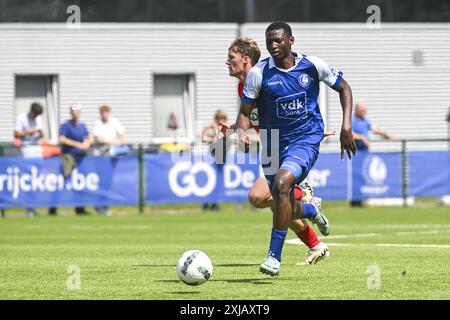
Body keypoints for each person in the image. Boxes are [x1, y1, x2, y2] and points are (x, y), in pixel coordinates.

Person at [236, 22, 356, 276]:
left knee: (281, 185)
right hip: (272, 144)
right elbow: (244, 113)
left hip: (305, 139)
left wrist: (346, 127)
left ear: (291, 40)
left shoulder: (312, 65)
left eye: (278, 40)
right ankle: (311, 209)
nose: (273, 46)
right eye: (269, 42)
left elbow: (344, 87)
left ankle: (273, 258)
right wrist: (240, 131)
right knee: (281, 202)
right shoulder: (259, 74)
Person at [219, 37, 332, 265]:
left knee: (259, 196)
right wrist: (236, 130)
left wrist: (311, 131)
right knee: (276, 205)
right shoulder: (245, 86)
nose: (226, 62)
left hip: (288, 146)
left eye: (231, 57)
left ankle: (304, 198)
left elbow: (290, 107)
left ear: (246, 59)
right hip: (271, 146)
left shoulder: (266, 78)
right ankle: (314, 237)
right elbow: (256, 118)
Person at [49, 103, 93, 216]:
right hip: (68, 158)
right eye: (74, 112)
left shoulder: (82, 126)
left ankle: (80, 208)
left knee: (80, 183)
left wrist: (87, 143)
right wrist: (78, 144)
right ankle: (52, 208)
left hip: (81, 159)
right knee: (62, 183)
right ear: (71, 113)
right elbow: (62, 139)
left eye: (78, 112)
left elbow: (89, 138)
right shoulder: (66, 126)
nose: (76, 114)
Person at [351, 102, 395, 207]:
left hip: (364, 154)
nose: (364, 113)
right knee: (356, 177)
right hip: (355, 153)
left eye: (365, 111)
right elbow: (349, 133)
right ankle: (355, 201)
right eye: (362, 111)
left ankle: (359, 200)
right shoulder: (353, 121)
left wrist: (386, 134)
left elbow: (374, 129)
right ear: (357, 111)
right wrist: (362, 137)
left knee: (362, 176)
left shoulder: (365, 121)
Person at [92, 105, 127, 215]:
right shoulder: (98, 124)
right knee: (101, 182)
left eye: (106, 112)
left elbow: (123, 137)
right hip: (100, 157)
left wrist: (118, 142)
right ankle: (99, 206)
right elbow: (99, 139)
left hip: (111, 157)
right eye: (102, 113)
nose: (104, 115)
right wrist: (114, 142)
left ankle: (104, 205)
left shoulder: (115, 122)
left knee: (108, 182)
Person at [14, 102, 44, 217]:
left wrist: (40, 133)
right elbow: (16, 134)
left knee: (36, 180)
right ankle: (28, 207)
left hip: (37, 150)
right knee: (28, 180)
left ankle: (32, 206)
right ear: (31, 111)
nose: (36, 117)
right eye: (35, 114)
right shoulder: (21, 118)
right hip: (26, 151)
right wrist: (28, 132)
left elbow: (42, 134)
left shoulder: (39, 119)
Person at [200, 109, 231, 211]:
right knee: (211, 181)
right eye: (219, 118)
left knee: (218, 183)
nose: (221, 120)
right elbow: (202, 137)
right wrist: (212, 138)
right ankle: (207, 203)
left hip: (222, 158)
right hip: (214, 157)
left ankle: (214, 203)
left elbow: (228, 138)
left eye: (223, 118)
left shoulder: (226, 129)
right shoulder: (213, 129)